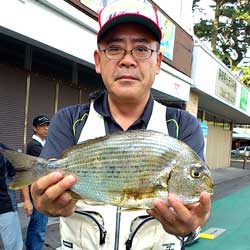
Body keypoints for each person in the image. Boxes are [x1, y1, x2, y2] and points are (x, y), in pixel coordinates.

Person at [31, 1, 211, 249]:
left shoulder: (181, 126)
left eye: (141, 49)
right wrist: (43, 200)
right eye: (114, 48)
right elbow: (45, 191)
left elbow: (193, 209)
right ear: (97, 60)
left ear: (158, 62)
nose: (127, 60)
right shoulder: (69, 120)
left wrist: (192, 226)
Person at [21, 115, 50, 250]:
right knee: (38, 226)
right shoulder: (34, 146)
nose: (46, 128)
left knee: (37, 224)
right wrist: (26, 200)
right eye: (42, 126)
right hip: (37, 190)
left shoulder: (42, 144)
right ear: (34, 128)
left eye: (47, 125)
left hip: (38, 189)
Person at [0, 143, 23, 250]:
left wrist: (27, 200)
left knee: (14, 247)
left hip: (5, 208)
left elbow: (20, 174)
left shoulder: (5, 152)